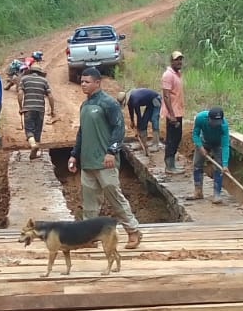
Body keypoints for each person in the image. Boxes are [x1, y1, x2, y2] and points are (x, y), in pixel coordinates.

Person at [68, 67, 143, 249]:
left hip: (105, 161)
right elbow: (81, 133)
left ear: (97, 82)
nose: (83, 85)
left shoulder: (108, 103)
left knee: (115, 198)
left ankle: (133, 231)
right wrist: (74, 155)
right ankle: (89, 236)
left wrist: (111, 151)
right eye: (82, 82)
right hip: (87, 162)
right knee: (89, 203)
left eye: (87, 82)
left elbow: (119, 129)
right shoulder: (84, 106)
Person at [191, 106, 230, 204]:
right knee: (197, 164)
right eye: (213, 123)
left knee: (219, 167)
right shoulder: (200, 118)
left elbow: (225, 145)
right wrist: (200, 147)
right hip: (204, 141)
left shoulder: (224, 126)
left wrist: (225, 165)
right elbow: (195, 134)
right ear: (208, 119)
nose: (216, 125)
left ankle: (217, 195)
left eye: (218, 123)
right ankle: (198, 192)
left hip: (218, 144)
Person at [18, 64, 54, 158]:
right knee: (38, 131)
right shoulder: (44, 81)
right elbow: (50, 96)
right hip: (40, 109)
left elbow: (20, 93)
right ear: (40, 73)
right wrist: (52, 110)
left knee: (29, 130)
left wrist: (20, 107)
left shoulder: (24, 79)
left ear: (30, 71)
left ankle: (33, 145)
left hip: (28, 109)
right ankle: (35, 153)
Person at [161, 51, 187, 173]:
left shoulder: (178, 74)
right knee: (172, 138)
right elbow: (166, 96)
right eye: (177, 60)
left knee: (177, 137)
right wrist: (171, 114)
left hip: (178, 112)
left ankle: (171, 164)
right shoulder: (168, 75)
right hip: (173, 113)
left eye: (180, 59)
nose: (179, 62)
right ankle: (169, 166)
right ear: (171, 61)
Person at [125, 87, 162, 153]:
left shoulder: (135, 100)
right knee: (144, 121)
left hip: (156, 99)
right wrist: (132, 121)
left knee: (154, 119)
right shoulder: (130, 101)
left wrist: (138, 130)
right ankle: (144, 142)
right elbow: (131, 111)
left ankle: (156, 145)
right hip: (150, 103)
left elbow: (139, 116)